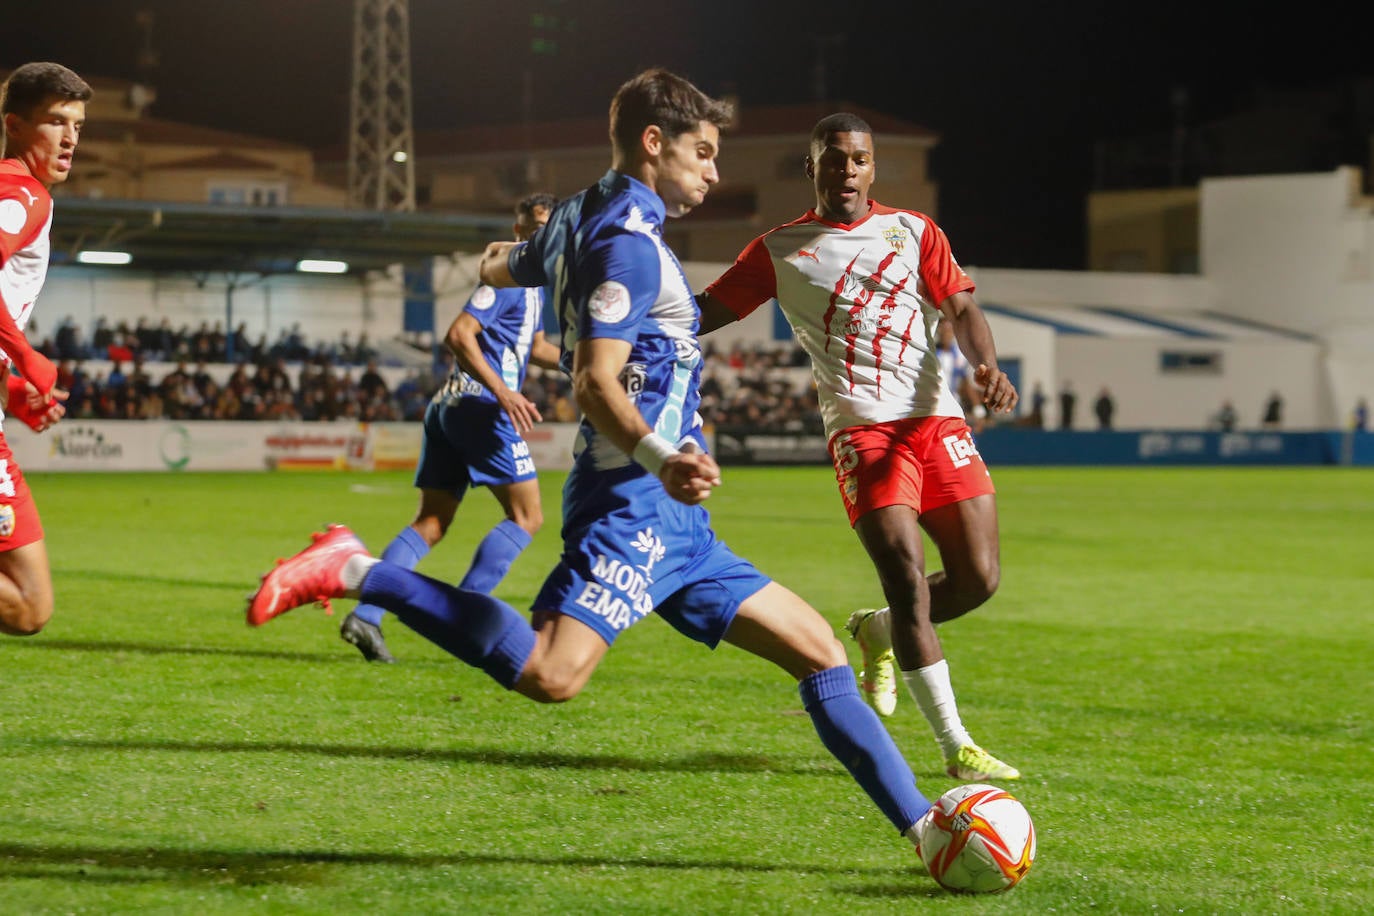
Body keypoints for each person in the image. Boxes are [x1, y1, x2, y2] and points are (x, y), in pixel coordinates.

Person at [247, 70, 937, 855]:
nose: (714, 171)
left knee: (820, 651)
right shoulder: (632, 249)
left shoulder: (579, 215)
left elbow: (497, 266)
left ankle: (925, 830)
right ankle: (353, 570)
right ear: (654, 143)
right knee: (550, 672)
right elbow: (592, 379)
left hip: (678, 521)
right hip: (634, 499)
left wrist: (508, 261)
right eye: (702, 152)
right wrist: (660, 455)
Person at [696, 112, 1020, 781]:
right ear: (812, 167)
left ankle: (875, 632)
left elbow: (961, 308)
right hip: (863, 432)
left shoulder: (915, 231)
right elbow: (707, 311)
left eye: (859, 159)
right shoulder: (780, 250)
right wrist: (619, 323)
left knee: (979, 580)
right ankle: (956, 747)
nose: (848, 170)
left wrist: (987, 365)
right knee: (906, 578)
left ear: (873, 168)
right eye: (834, 159)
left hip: (937, 422)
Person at [340, 193, 562, 662]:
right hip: (480, 407)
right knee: (528, 517)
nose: (536, 236)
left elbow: (535, 346)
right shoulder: (504, 276)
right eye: (530, 227)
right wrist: (504, 391)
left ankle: (367, 618)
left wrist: (583, 362)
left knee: (432, 523)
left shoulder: (534, 286)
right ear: (517, 229)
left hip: (451, 406)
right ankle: (459, 619)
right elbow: (458, 334)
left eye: (545, 227)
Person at [0, 62, 89, 636]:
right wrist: (28, 357)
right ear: (14, 124)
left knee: (31, 606)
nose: (70, 138)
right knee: (30, 604)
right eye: (55, 122)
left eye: (77, 125)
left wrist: (12, 389)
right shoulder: (20, 191)